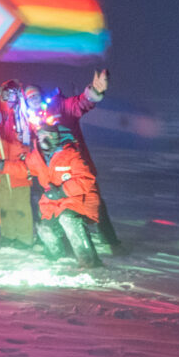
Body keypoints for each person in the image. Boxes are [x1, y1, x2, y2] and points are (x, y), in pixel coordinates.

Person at [20, 69, 124, 253]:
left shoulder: (59, 106)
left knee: (93, 201)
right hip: (50, 171)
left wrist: (94, 93)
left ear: (42, 96)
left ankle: (110, 241)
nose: (34, 100)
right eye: (30, 98)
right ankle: (62, 244)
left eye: (36, 95)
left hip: (75, 165)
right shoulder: (30, 119)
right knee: (53, 205)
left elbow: (80, 104)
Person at [25, 118, 103, 268]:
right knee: (46, 228)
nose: (43, 140)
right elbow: (23, 167)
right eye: (40, 136)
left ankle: (89, 261)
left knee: (68, 219)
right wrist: (0, 164)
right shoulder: (38, 157)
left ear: (56, 138)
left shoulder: (71, 155)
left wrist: (61, 191)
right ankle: (56, 258)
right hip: (54, 203)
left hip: (78, 199)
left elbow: (85, 179)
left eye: (48, 136)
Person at [0, 79, 33, 247]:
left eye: (13, 93)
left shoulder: (25, 112)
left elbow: (33, 133)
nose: (9, 96)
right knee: (3, 204)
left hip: (19, 166)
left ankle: (24, 237)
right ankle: (9, 235)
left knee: (21, 204)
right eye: (6, 93)